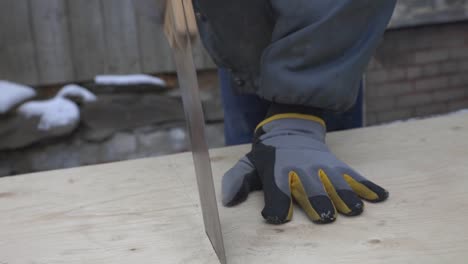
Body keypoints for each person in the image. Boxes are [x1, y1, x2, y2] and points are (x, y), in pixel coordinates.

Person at [193, 0, 397, 224]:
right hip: (242, 52)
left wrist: (299, 110)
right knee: (252, 204)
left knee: (335, 216)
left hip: (324, 50)